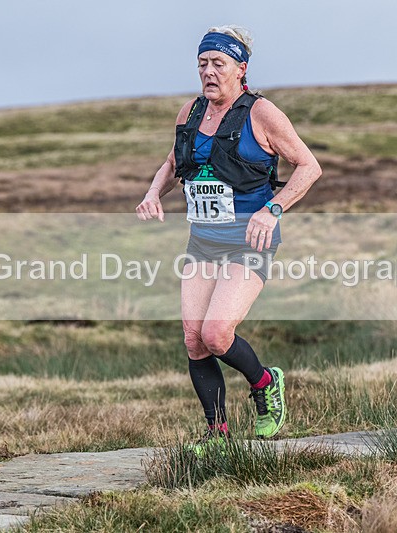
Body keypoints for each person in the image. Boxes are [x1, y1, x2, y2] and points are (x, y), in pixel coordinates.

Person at [136, 24, 321, 452]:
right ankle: (217, 435)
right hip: (203, 241)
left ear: (241, 68)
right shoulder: (190, 112)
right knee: (193, 338)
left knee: (217, 334)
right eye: (202, 63)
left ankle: (265, 383)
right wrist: (151, 193)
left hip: (248, 242)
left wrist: (272, 210)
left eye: (218, 63)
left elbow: (309, 167)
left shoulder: (262, 114)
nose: (208, 72)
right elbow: (171, 162)